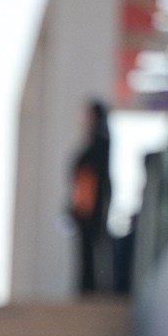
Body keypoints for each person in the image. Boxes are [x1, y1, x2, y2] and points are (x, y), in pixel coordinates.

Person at [68, 101, 112, 297]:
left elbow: (99, 178)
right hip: (83, 206)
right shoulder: (92, 143)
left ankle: (91, 290)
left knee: (93, 251)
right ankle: (85, 288)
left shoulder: (101, 143)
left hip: (93, 208)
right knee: (84, 251)